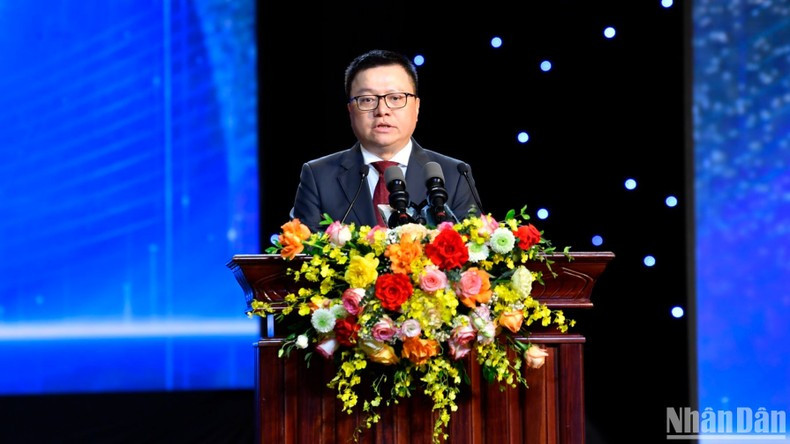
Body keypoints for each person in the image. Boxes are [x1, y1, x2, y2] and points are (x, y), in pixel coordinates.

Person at [290, 49, 482, 233]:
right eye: (367, 100)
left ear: (416, 107)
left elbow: (472, 253)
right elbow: (303, 257)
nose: (382, 110)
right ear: (350, 110)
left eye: (396, 98)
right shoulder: (318, 176)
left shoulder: (455, 174)